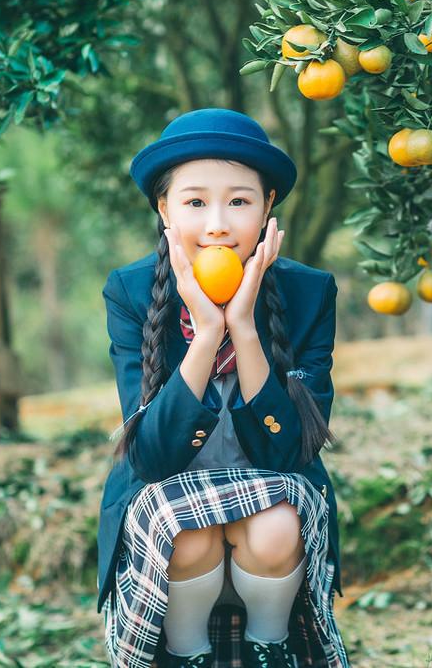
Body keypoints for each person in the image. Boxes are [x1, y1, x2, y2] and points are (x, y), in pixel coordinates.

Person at [95, 108, 349, 668]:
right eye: (194, 202)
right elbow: (154, 456)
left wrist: (243, 325)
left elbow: (288, 451)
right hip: (168, 505)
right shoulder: (131, 293)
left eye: (239, 201)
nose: (217, 224)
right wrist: (207, 332)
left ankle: (270, 648)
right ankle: (188, 655)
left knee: (278, 524)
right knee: (189, 535)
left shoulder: (309, 293)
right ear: (164, 209)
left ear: (267, 209)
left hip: (271, 502)